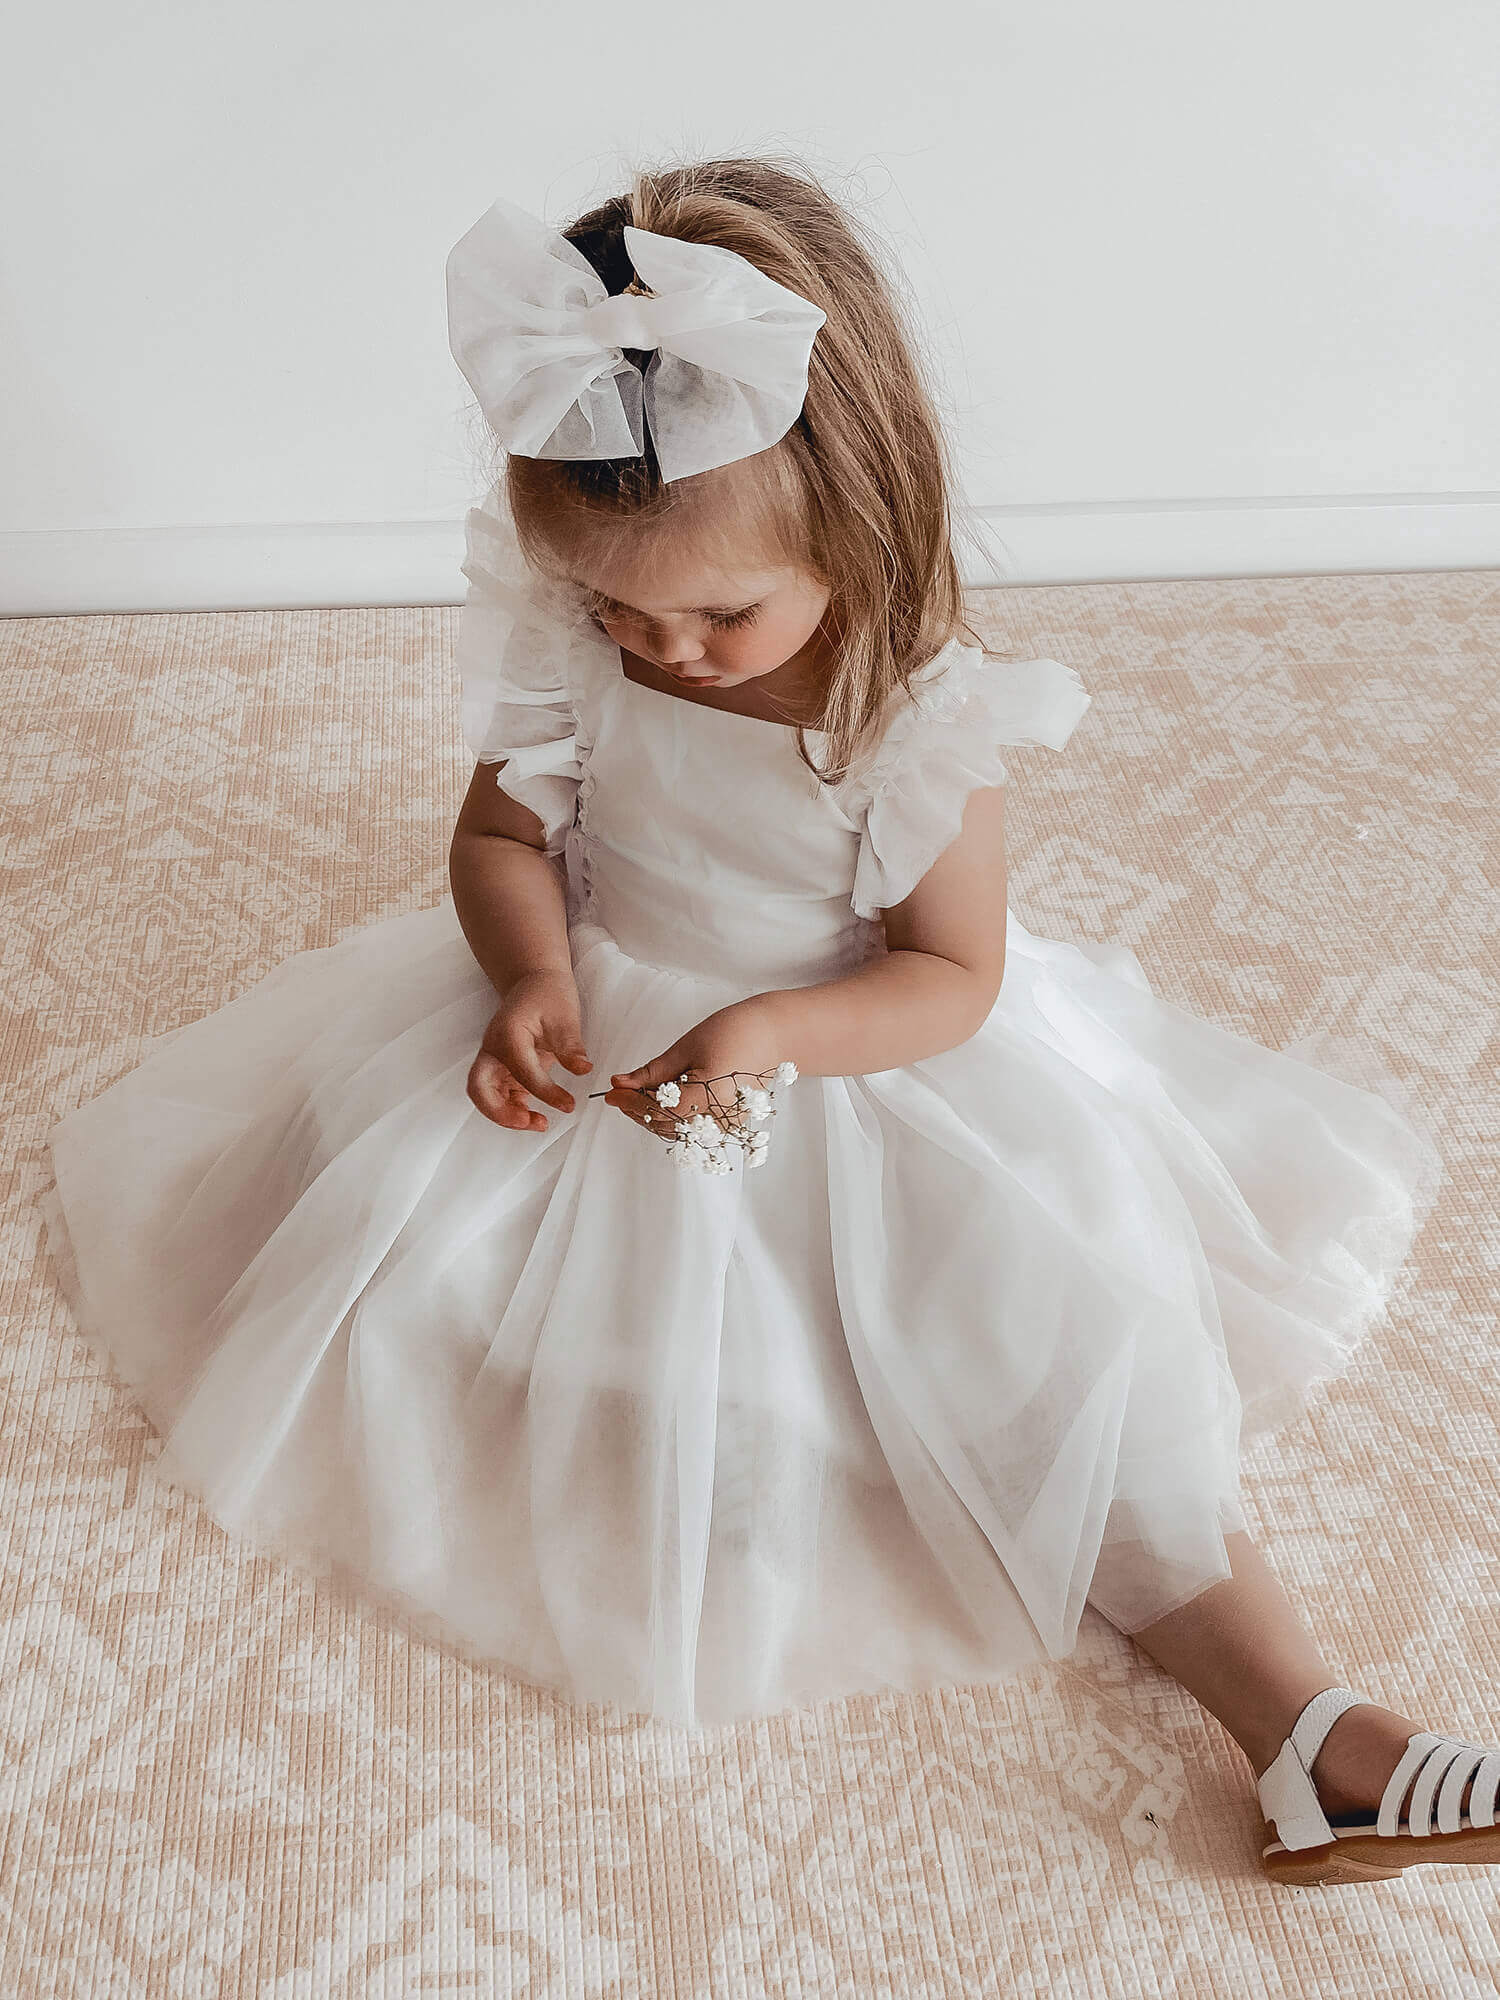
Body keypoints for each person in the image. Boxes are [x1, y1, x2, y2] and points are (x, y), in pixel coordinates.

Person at [39, 156, 1497, 1888]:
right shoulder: (583, 642)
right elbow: (509, 831)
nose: (671, 652)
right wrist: (530, 976)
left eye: (722, 612)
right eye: (617, 611)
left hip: (861, 1054)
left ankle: (1311, 1728)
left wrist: (770, 1039)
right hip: (604, 1032)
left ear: (852, 527)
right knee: (507, 1338)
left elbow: (948, 976)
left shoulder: (912, 721)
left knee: (1052, 1360)